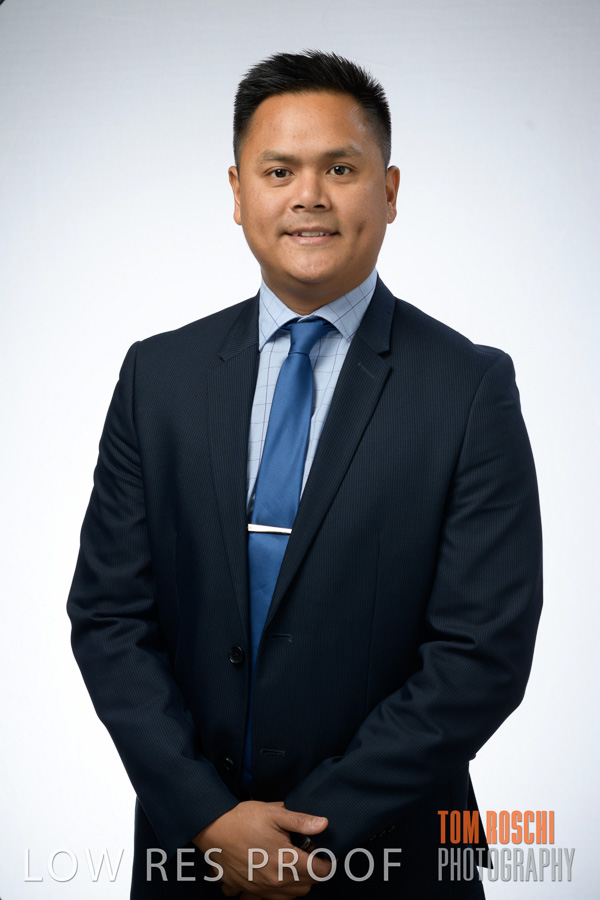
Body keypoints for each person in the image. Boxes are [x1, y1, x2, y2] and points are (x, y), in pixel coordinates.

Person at [66, 50, 543, 899]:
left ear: (389, 191)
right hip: (192, 856)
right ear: (238, 191)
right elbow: (109, 618)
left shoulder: (470, 388)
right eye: (279, 170)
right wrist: (207, 818)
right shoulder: (157, 377)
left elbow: (483, 654)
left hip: (397, 860)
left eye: (341, 169)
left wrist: (310, 834)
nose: (309, 196)